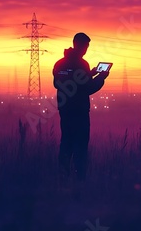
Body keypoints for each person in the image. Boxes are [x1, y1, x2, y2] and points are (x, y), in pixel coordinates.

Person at [53, 32, 109, 185]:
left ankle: (63, 179)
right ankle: (80, 181)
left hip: (65, 111)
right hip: (80, 112)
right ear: (81, 45)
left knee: (66, 144)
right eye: (86, 46)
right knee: (80, 147)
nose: (86, 50)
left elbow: (63, 83)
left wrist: (90, 74)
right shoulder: (82, 64)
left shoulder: (59, 64)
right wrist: (101, 78)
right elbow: (87, 88)